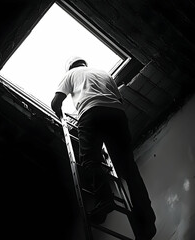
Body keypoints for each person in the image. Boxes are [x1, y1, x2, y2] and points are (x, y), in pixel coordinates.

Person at [51, 56, 156, 240]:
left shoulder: (71, 75)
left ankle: (104, 199)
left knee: (90, 159)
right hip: (117, 115)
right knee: (129, 170)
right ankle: (146, 221)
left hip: (91, 113)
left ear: (70, 67)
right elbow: (119, 100)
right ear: (84, 63)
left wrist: (61, 117)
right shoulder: (103, 73)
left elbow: (56, 102)